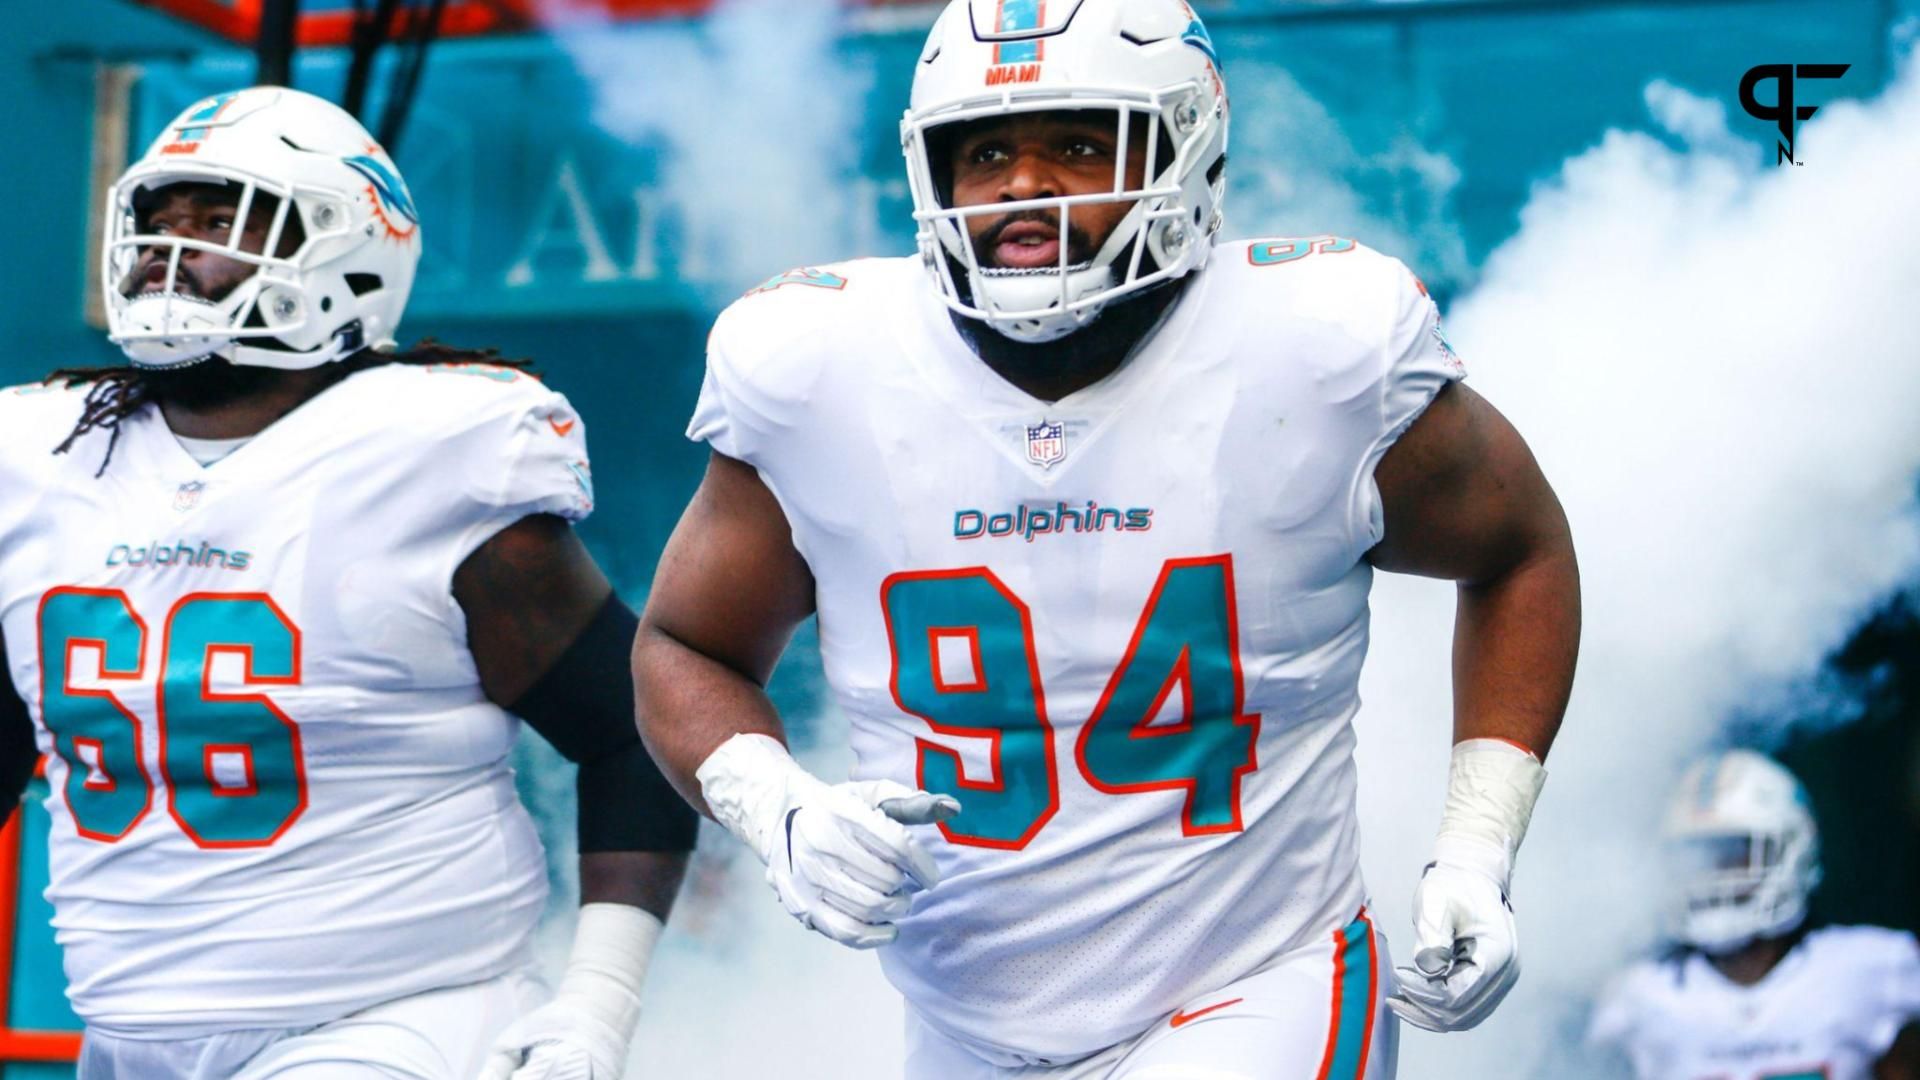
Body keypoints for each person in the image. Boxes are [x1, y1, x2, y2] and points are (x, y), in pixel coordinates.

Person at [632, 0, 1580, 1076]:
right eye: (984, 151)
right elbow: (682, 647)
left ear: (1189, 150)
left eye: (1079, 144)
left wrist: (1476, 845)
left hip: (1260, 984)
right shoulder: (815, 366)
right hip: (964, 1027)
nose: (1022, 187)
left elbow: (1519, 552)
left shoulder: (1315, 349)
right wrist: (777, 805)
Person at [0, 85, 694, 1079]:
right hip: (125, 1033)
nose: (167, 247)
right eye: (157, 220)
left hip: (390, 1023)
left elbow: (633, 727)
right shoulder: (37, 453)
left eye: (218, 219)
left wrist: (599, 1001)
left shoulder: (429, 447)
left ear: (340, 248)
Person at [1588, 750, 1920, 1080]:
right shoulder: (1639, 997)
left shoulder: (1874, 969)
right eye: (1698, 855)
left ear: (1794, 849)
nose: (1715, 872)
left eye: (1736, 853)